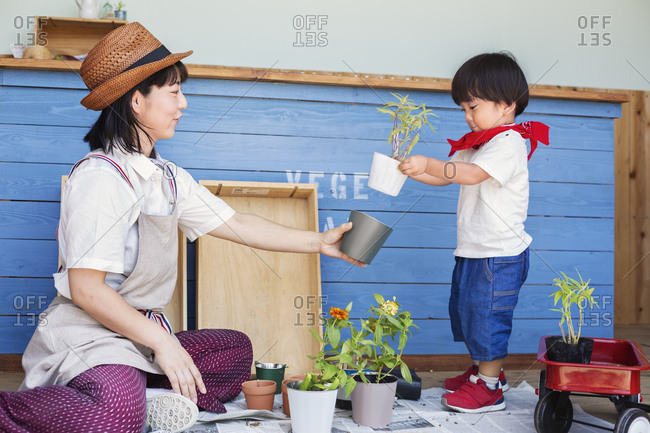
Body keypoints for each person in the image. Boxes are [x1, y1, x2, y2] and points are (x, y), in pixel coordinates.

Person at [0, 22, 362, 433]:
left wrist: (319, 241)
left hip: (140, 337)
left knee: (235, 351)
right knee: (113, 413)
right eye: (173, 92)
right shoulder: (100, 178)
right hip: (90, 337)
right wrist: (164, 344)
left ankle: (147, 396)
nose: (183, 103)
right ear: (137, 100)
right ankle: (101, 401)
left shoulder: (167, 176)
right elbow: (86, 289)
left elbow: (237, 222)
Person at [399, 52, 549, 413]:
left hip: (498, 255)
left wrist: (432, 163)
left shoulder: (508, 142)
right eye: (463, 109)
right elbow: (447, 175)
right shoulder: (482, 141)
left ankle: (490, 387)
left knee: (487, 318)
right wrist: (414, 171)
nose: (467, 116)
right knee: (468, 314)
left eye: (473, 106)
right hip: (474, 250)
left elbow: (469, 174)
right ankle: (483, 373)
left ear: (507, 105)